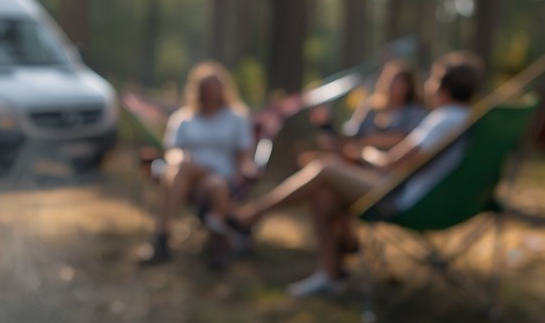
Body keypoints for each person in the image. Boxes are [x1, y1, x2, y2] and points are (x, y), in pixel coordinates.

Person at [230, 52, 483, 297]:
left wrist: (362, 153)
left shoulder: (442, 120)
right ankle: (332, 274)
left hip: (405, 198)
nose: (428, 85)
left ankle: (251, 215)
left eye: (433, 79)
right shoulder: (467, 119)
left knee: (324, 168)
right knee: (323, 194)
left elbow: (391, 163)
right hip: (424, 196)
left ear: (443, 88)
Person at [138, 61, 256, 265]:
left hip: (222, 175)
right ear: (197, 89)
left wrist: (245, 172)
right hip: (187, 178)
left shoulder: (237, 117)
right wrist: (179, 159)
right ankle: (216, 243)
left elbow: (244, 155)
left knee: (216, 185)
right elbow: (172, 151)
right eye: (207, 86)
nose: (212, 91)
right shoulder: (183, 118)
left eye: (216, 86)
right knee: (181, 170)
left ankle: (163, 239)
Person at [339, 59, 426, 147]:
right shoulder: (369, 106)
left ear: (408, 86)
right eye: (389, 80)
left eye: (398, 82)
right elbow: (352, 133)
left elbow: (412, 139)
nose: (392, 85)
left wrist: (371, 141)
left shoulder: (414, 112)